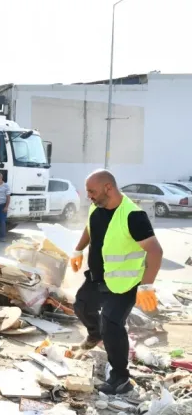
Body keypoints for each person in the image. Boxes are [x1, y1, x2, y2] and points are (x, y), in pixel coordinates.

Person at [70, 169, 162, 395]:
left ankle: (120, 378)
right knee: (81, 307)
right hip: (99, 277)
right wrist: (78, 249)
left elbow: (155, 251)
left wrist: (146, 284)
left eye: (92, 191)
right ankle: (95, 334)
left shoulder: (133, 215)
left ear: (107, 188)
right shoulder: (97, 207)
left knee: (111, 323)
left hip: (126, 282)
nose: (89, 196)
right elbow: (89, 228)